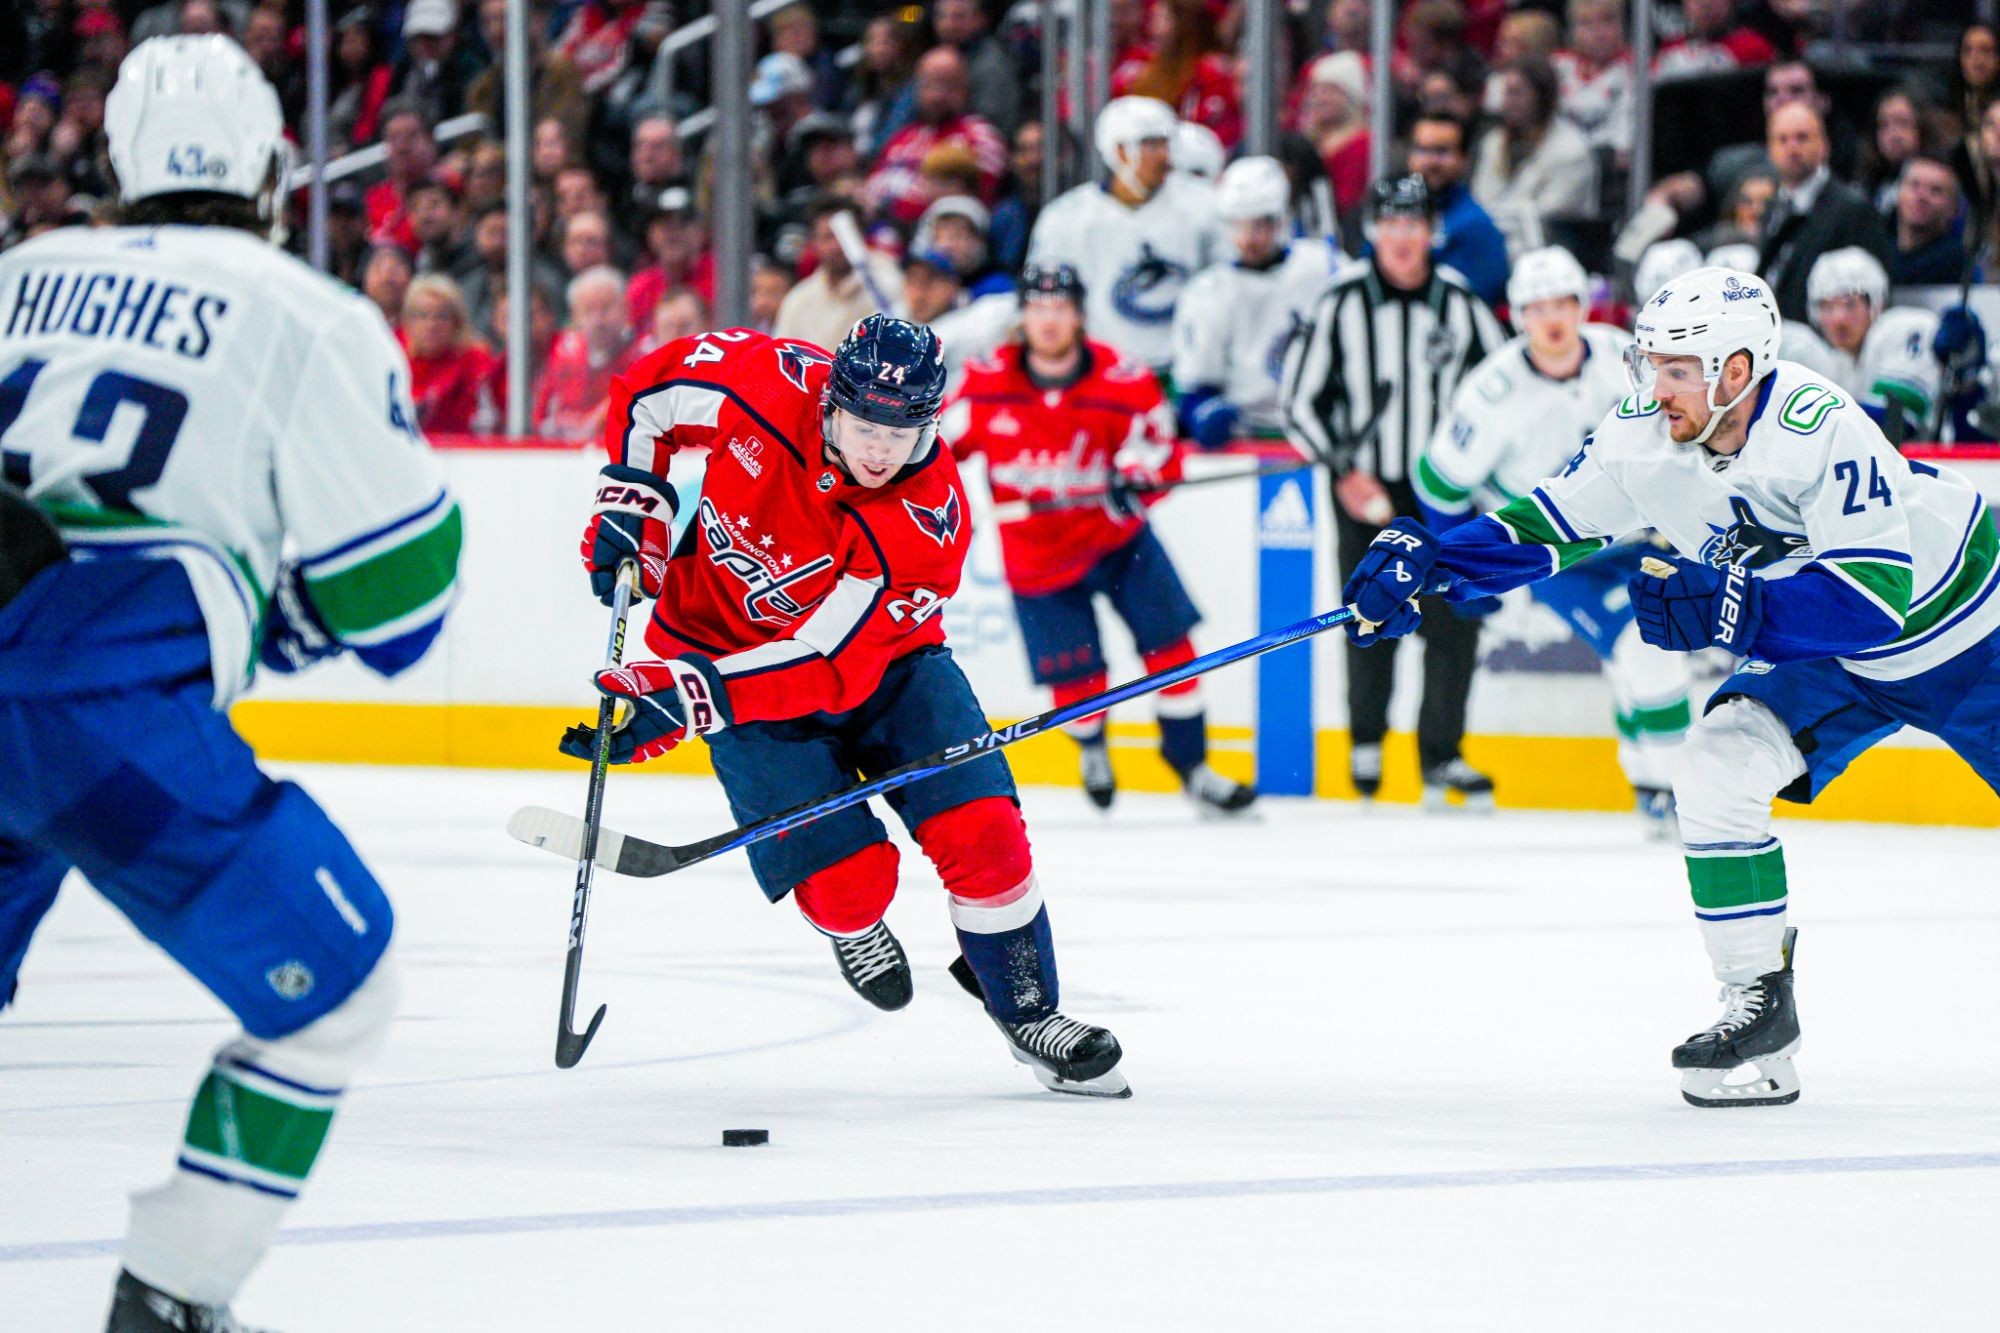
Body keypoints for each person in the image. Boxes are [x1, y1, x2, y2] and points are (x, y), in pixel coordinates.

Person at [0, 36, 462, 1329]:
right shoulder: (306, 311)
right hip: (96, 709)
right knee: (338, 991)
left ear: (117, 164)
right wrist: (274, 617)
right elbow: (402, 606)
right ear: (272, 171)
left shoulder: (18, 273)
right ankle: (172, 1294)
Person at [1340, 266, 2000, 1108]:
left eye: (1678, 370)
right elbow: (1548, 526)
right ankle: (1759, 1009)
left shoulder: (1820, 424)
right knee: (1715, 765)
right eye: (1650, 365)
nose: (1656, 389)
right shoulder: (1641, 433)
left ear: (1737, 369)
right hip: (1824, 654)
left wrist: (1735, 608)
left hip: (1968, 636)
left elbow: (1873, 599)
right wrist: (1437, 563)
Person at [564, 314, 1130, 1097]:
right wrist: (636, 500)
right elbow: (649, 397)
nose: (880, 450)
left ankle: (1029, 1011)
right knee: (847, 885)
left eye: (902, 433)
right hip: (727, 660)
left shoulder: (926, 517)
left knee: (985, 832)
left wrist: (689, 698)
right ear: (829, 400)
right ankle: (853, 925)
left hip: (890, 669)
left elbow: (827, 662)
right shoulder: (762, 380)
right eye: (865, 427)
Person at [944, 264, 1257, 817]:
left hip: (1120, 544)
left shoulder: (1123, 379)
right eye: (1038, 308)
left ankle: (1193, 766)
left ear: (1079, 316)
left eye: (1060, 308)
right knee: (1078, 682)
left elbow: (1160, 450)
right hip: (1037, 557)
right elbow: (936, 453)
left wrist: (1136, 480)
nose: (1048, 320)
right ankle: (1091, 746)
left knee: (1174, 652)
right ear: (1023, 316)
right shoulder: (986, 382)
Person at [1413, 246, 1692, 834]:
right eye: (1536, 308)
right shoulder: (1492, 391)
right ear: (1518, 316)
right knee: (1649, 648)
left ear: (1580, 304)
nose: (1552, 319)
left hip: (1638, 538)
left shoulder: (1623, 358)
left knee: (1635, 658)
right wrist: (1462, 568)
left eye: (1562, 303)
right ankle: (1681, 792)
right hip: (1556, 557)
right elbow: (1438, 481)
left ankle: (1650, 782)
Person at [1281, 175, 1507, 807]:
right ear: (1372, 231)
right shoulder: (1341, 302)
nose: (1402, 238)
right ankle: (1366, 742)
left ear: (1432, 232)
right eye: (1390, 224)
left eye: (1414, 224)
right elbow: (1298, 401)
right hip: (1366, 488)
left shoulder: (1460, 302)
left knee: (1454, 619)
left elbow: (1505, 391)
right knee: (1368, 611)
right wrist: (1342, 470)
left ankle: (1442, 754)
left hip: (1446, 494)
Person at [1028, 96, 1224, 374]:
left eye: (1166, 144)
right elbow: (1045, 301)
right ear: (1120, 151)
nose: (1164, 156)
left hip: (1184, 372)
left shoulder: (1205, 206)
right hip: (1102, 373)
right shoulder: (1065, 218)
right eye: (1152, 145)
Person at [1173, 156, 1341, 446]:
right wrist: (1205, 415)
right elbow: (1195, 388)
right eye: (1237, 225)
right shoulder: (1207, 293)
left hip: (1320, 431)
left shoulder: (1325, 267)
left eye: (1258, 224)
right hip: (1245, 439)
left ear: (1281, 219)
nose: (1247, 239)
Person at [1757, 102, 1893, 325]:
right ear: (1770, 149)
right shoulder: (1774, 206)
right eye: (1782, 139)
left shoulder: (1852, 209)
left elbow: (1876, 288)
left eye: (1802, 138)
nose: (1792, 148)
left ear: (1824, 145)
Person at [1789, 248, 1938, 443]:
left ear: (1876, 304)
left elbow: (1893, 421)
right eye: (1827, 306)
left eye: (1850, 304)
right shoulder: (1840, 362)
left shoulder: (1901, 329)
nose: (1839, 319)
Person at [1470, 56, 1598, 256]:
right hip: (1493, 247)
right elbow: (1481, 201)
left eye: (1516, 93)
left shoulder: (1572, 149)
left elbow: (1547, 218)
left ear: (1541, 96)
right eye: (1506, 92)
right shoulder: (1493, 142)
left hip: (1551, 254)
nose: (1507, 102)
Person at [1404, 110, 1510, 308]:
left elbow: (1470, 304)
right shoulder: (1392, 219)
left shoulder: (1476, 227)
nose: (1430, 161)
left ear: (1463, 159)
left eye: (1442, 151)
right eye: (1422, 150)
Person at [773, 196, 904, 353]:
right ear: (814, 243)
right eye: (827, 237)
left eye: (842, 236)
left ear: (860, 235)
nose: (836, 246)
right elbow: (783, 354)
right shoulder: (799, 301)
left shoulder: (887, 278)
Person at [533, 265, 636, 442]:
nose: (598, 320)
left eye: (606, 308)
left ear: (625, 309)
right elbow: (541, 420)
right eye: (588, 310)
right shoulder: (562, 356)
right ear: (575, 317)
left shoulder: (644, 357)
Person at [900, 247, 1015, 394]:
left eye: (928, 282)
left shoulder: (978, 316)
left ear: (953, 285)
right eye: (912, 281)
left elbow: (1014, 305)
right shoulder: (895, 319)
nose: (919, 293)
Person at [399, 274, 501, 434]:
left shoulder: (477, 363)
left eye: (441, 316)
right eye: (422, 315)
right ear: (407, 321)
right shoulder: (395, 360)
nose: (432, 324)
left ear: (456, 321)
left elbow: (490, 421)